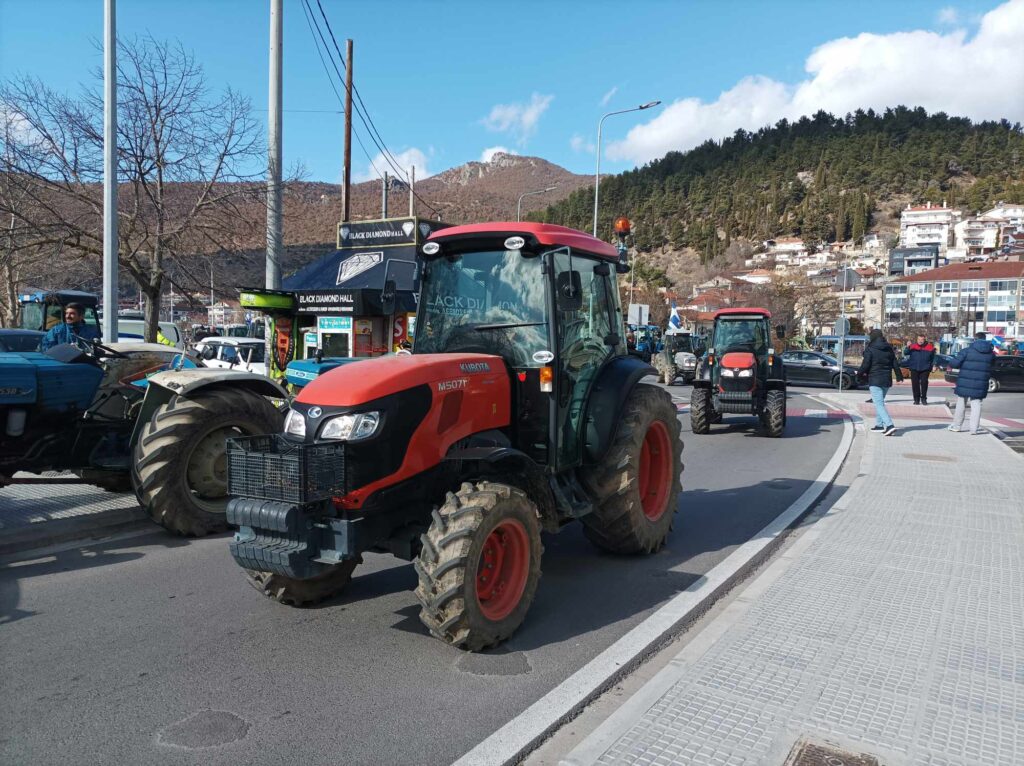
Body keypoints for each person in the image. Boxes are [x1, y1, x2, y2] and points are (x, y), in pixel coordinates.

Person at [858, 328, 904, 436]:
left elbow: (866, 364)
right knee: (880, 403)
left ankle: (889, 425)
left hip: (875, 379)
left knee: (878, 404)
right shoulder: (889, 348)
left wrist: (859, 374)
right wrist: (899, 376)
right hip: (886, 380)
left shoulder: (870, 348)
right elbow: (895, 363)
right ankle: (879, 425)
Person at [948, 331, 995, 435]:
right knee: (977, 404)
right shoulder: (991, 353)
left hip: (965, 380)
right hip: (981, 382)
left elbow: (954, 363)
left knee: (961, 403)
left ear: (975, 339)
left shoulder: (966, 351)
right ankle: (974, 429)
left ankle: (957, 426)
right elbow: (992, 365)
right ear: (985, 339)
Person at [901, 334, 936, 405]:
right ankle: (916, 399)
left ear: (924, 340)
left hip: (925, 368)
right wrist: (907, 346)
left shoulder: (930, 347)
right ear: (917, 340)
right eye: (919, 339)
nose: (920, 341)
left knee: (924, 383)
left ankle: (923, 399)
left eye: (922, 340)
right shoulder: (913, 346)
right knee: (915, 384)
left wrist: (934, 365)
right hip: (914, 368)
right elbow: (905, 353)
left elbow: (934, 357)